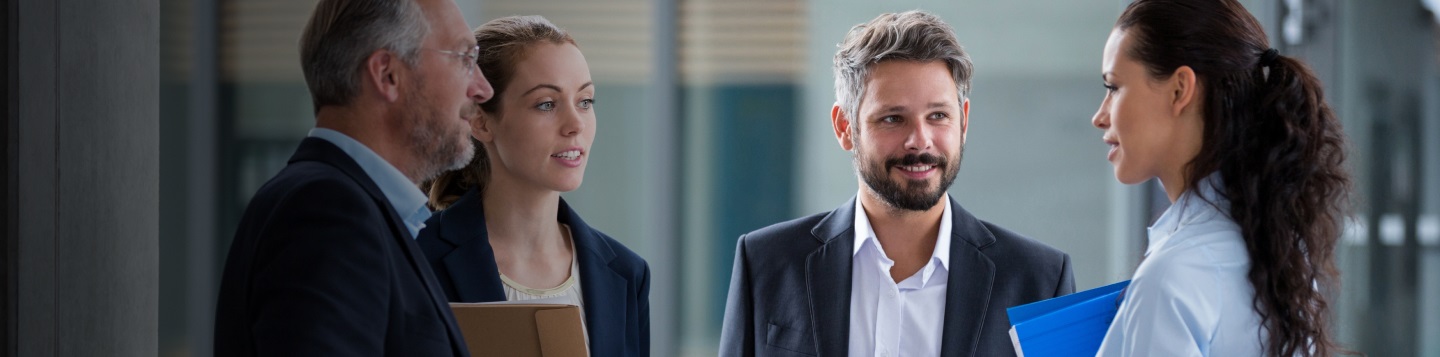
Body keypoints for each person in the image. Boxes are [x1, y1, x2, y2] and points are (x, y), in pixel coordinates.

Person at [719, 10, 1075, 357]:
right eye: (893, 118)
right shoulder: (766, 264)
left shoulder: (1039, 283)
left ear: (963, 122)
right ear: (845, 128)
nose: (919, 141)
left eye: (938, 116)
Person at [212, 0, 493, 355]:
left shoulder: (341, 207)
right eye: (465, 58)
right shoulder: (327, 213)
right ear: (387, 74)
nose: (483, 89)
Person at [1090, 0, 1353, 356]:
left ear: (1180, 89)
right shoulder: (1280, 255)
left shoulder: (1172, 277)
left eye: (1114, 87)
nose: (1100, 117)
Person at [417, 15, 651, 357]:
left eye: (585, 101)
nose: (575, 125)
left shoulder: (628, 274)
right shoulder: (415, 256)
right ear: (480, 121)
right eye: (547, 104)